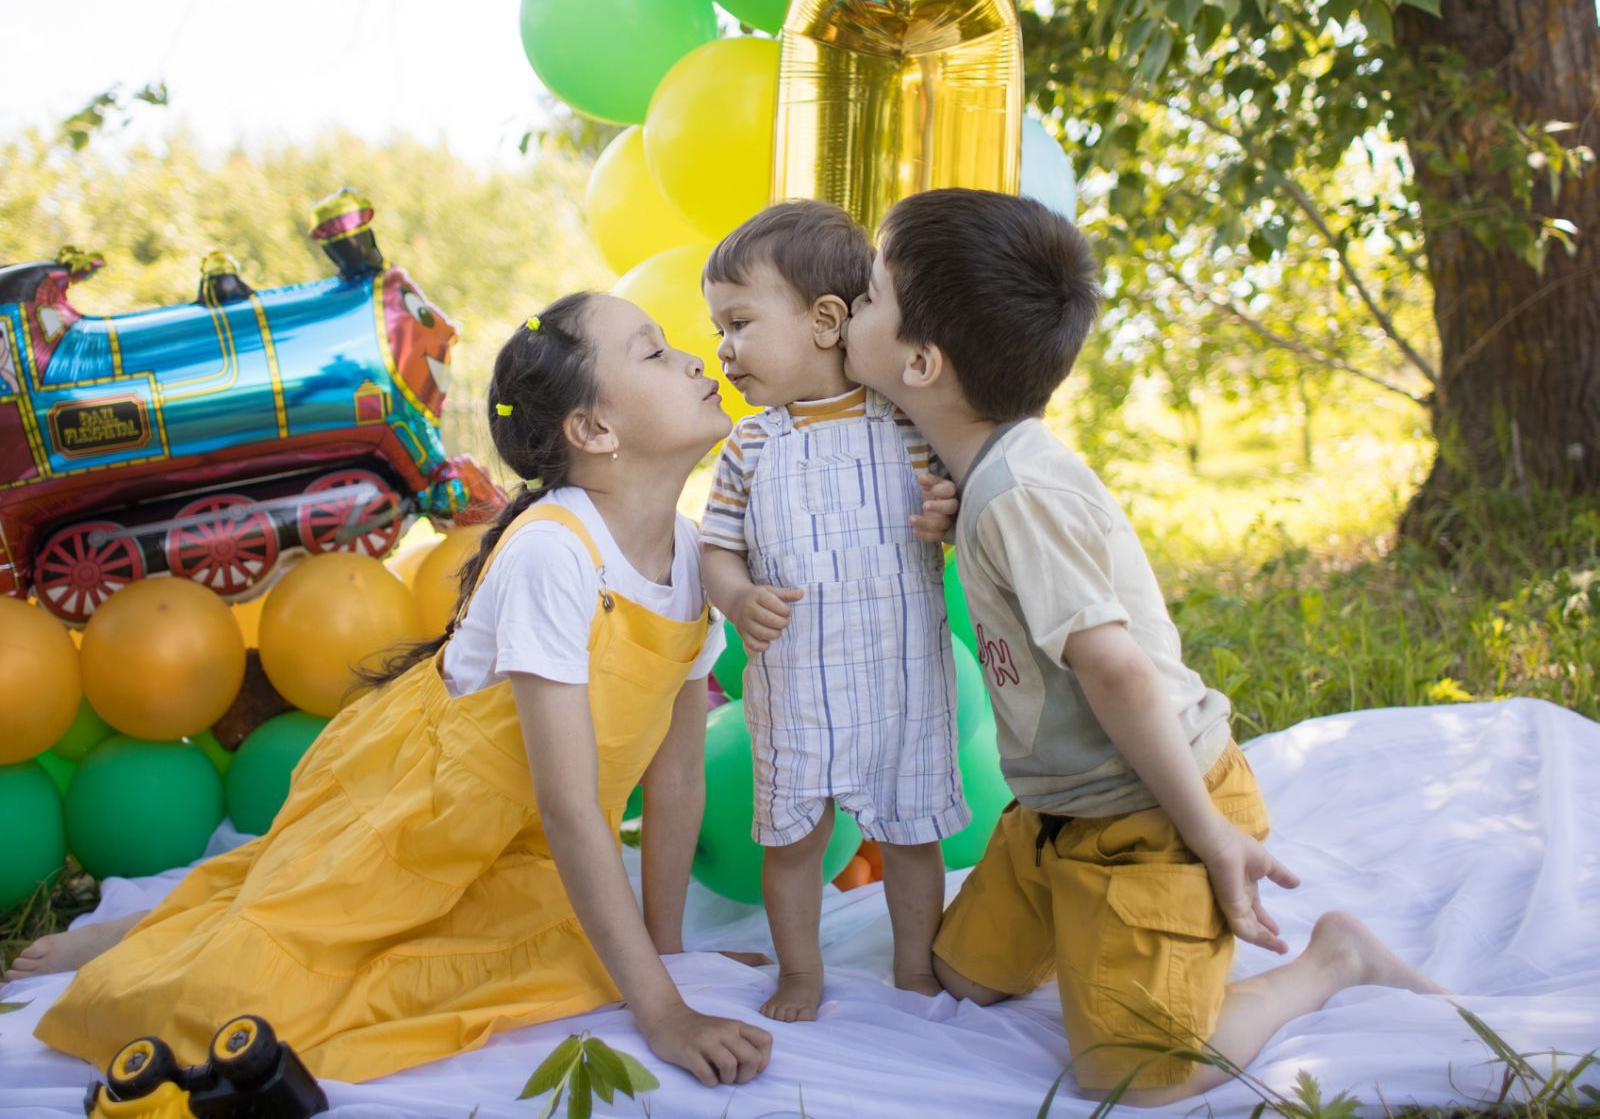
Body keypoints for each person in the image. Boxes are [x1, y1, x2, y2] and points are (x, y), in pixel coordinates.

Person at [22, 293, 774, 1089]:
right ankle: (145, 937)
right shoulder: (556, 553)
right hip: (414, 813)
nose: (695, 358)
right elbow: (568, 803)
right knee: (236, 1003)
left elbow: (678, 773)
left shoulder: (691, 555)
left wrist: (666, 958)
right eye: (654, 352)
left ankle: (188, 918)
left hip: (518, 843)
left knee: (548, 963)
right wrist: (661, 1011)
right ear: (593, 431)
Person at [839, 188, 1448, 1105]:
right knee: (960, 978)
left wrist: (1209, 837)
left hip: (1158, 817)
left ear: (923, 360)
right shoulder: (990, 473)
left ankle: (1329, 960)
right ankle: (1095, 933)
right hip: (1057, 815)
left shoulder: (1019, 498)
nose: (850, 306)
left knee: (1137, 1077)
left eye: (871, 296)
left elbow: (1116, 669)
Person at [698, 201, 965, 1023]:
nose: (723, 348)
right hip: (799, 687)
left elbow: (963, 503)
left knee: (914, 835)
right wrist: (738, 595)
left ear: (823, 320)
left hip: (901, 677)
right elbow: (715, 547)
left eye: (739, 321)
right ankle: (801, 972)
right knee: (793, 842)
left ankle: (914, 967)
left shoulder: (908, 425)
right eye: (719, 327)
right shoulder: (752, 446)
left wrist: (945, 516)